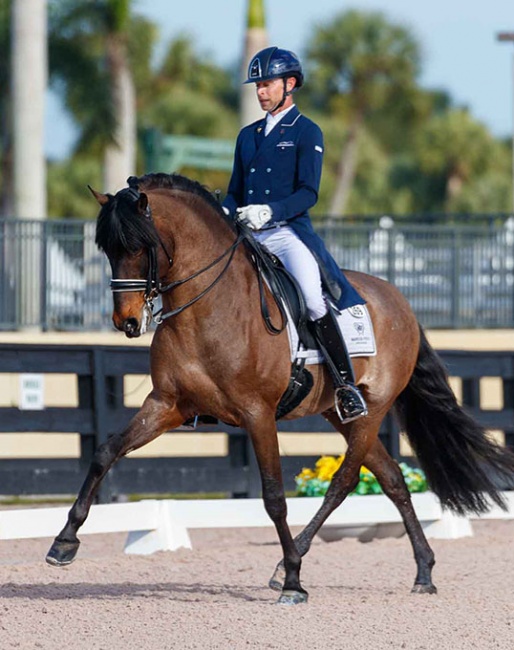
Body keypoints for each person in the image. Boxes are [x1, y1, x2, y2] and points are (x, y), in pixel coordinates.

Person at [223, 46, 367, 424]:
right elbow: (235, 190)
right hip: (248, 234)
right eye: (257, 85)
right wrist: (223, 212)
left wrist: (270, 211)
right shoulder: (247, 135)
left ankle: (347, 387)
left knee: (312, 299)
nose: (260, 92)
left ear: (289, 84)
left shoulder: (306, 131)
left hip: (286, 233)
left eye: (267, 84)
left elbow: (308, 192)